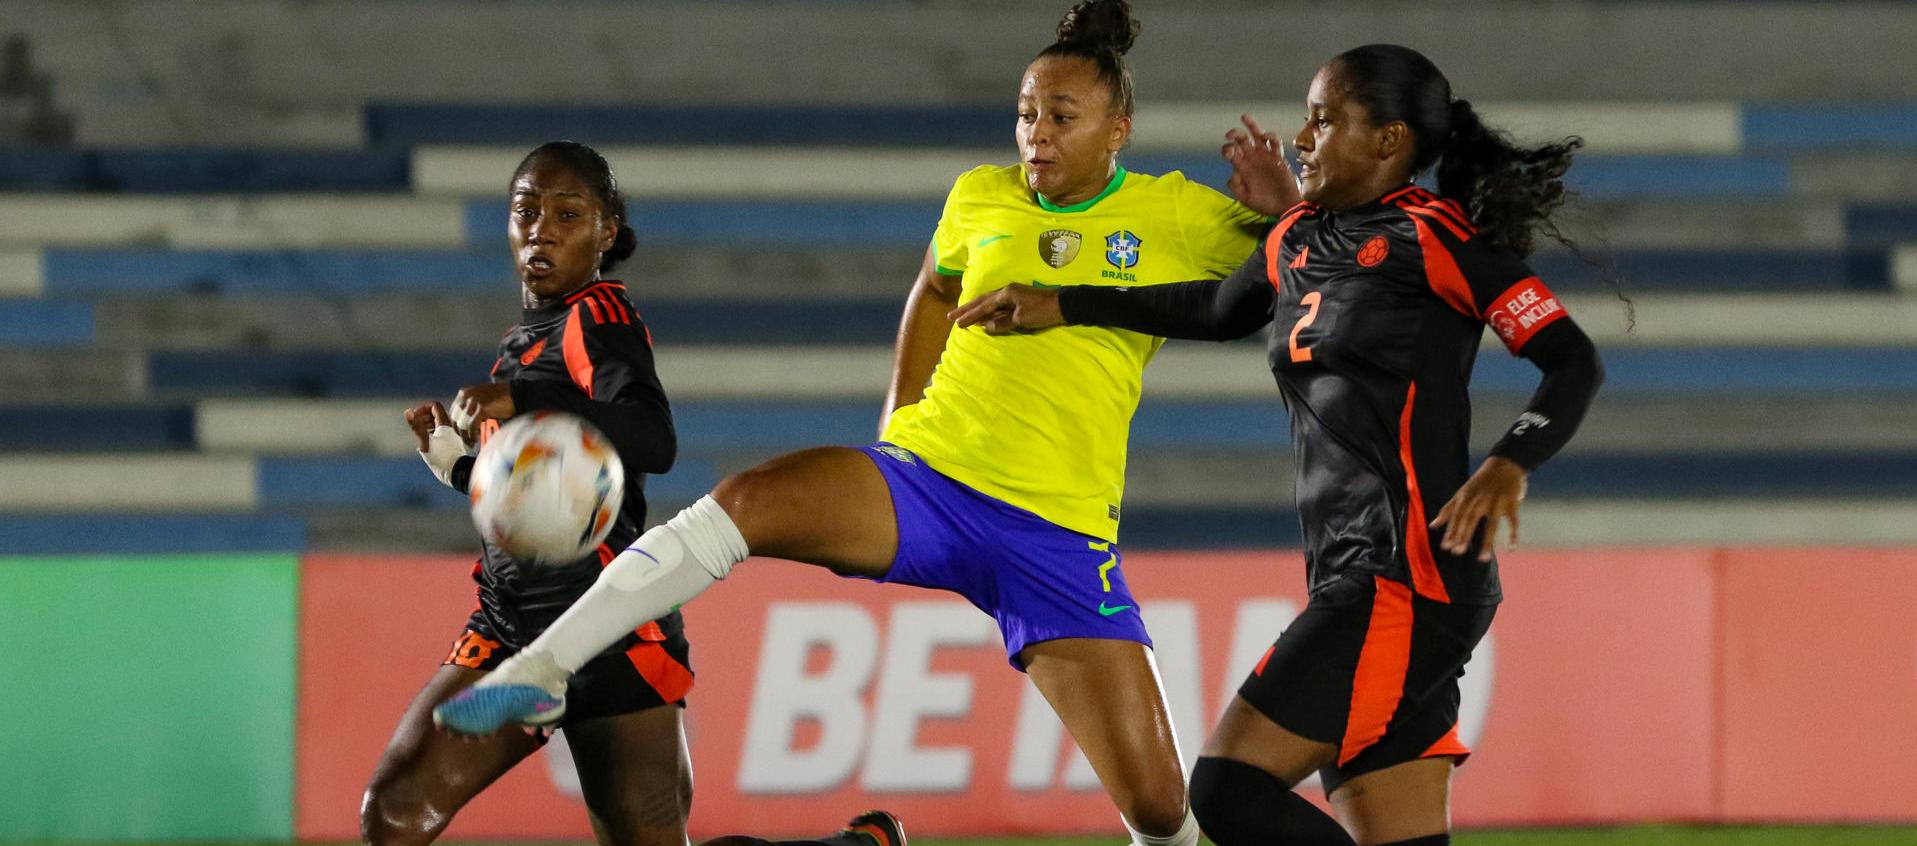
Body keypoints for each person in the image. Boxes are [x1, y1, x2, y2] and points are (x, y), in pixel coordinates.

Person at [433, 3, 1275, 845]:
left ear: (1117, 129)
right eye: (1025, 115)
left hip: (1056, 533)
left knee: (1162, 808)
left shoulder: (1173, 215)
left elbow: (1294, 264)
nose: (1036, 135)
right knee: (747, 500)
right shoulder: (981, 196)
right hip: (928, 479)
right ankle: (541, 668)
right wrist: (900, 414)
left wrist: (1286, 207)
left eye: (1061, 118)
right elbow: (936, 288)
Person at [950, 43, 1606, 846]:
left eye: (1324, 120)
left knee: (1225, 789)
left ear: (1387, 141)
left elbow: (1569, 358)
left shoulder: (1437, 239)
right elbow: (1218, 310)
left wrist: (1511, 460)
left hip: (1408, 578)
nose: (1303, 134)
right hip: (1353, 574)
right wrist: (1068, 303)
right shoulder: (1296, 235)